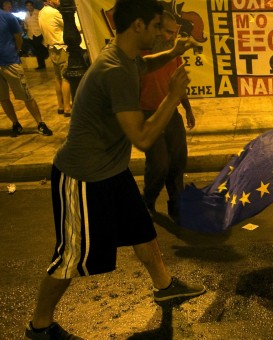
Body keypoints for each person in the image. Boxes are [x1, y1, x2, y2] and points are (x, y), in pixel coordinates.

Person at [25, 0, 204, 338]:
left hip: (111, 169)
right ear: (138, 25)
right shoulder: (115, 70)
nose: (159, 34)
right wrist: (172, 96)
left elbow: (144, 65)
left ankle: (165, 285)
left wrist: (172, 52)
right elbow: (142, 137)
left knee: (140, 226)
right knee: (71, 255)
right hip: (83, 175)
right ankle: (39, 326)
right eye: (155, 27)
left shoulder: (121, 57)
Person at [141, 10, 195, 224]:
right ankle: (148, 200)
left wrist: (187, 108)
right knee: (159, 163)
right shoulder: (139, 56)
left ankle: (176, 204)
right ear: (155, 30)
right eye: (168, 32)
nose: (172, 37)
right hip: (148, 115)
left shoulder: (174, 53)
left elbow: (178, 83)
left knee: (178, 161)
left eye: (175, 32)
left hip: (171, 113)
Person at [1, 8, 52, 137]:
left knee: (26, 94)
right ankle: (15, 123)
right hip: (8, 60)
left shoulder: (7, 17)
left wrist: (17, 52)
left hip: (10, 61)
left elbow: (18, 37)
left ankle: (40, 123)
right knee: (3, 98)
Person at [38, 0, 72, 116]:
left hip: (51, 47)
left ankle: (61, 106)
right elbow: (70, 25)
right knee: (66, 78)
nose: (59, 0)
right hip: (61, 47)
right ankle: (67, 108)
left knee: (58, 78)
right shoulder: (54, 12)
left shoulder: (41, 12)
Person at [23, 0, 49, 70]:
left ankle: (43, 62)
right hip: (31, 35)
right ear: (26, 7)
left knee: (39, 47)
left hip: (38, 33)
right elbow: (26, 24)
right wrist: (25, 27)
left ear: (32, 5)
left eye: (30, 5)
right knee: (36, 50)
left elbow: (43, 22)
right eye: (27, 6)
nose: (29, 7)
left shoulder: (38, 12)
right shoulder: (26, 14)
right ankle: (41, 65)